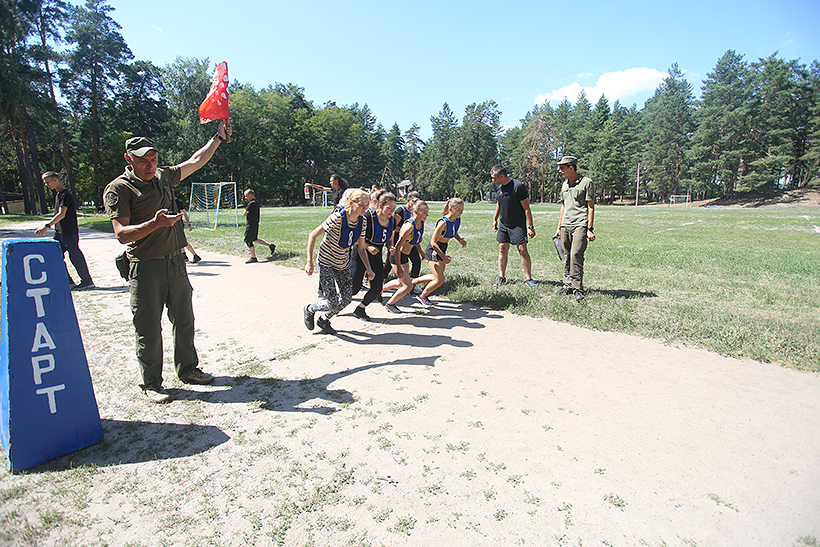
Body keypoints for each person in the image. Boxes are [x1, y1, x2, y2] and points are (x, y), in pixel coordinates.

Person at [103, 122, 232, 403]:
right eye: (143, 160)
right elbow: (121, 234)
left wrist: (217, 138)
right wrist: (154, 224)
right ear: (128, 159)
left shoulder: (162, 175)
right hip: (146, 266)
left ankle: (188, 369)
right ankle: (151, 383)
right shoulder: (119, 188)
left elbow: (195, 161)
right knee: (149, 327)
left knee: (184, 319)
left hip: (176, 262)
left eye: (153, 158)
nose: (150, 165)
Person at [303, 189, 374, 334]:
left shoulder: (362, 221)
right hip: (326, 262)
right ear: (351, 203)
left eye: (367, 205)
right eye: (361, 205)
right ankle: (310, 308)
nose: (365, 208)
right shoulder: (337, 218)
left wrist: (368, 267)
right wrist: (309, 262)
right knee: (332, 302)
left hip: (342, 263)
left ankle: (324, 319)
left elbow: (361, 248)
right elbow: (313, 235)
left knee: (347, 299)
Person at [35, 171, 94, 290]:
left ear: (55, 180)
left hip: (68, 232)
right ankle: (68, 282)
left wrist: (46, 226)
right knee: (54, 255)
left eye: (47, 182)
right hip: (59, 232)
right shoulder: (58, 195)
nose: (46, 185)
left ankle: (87, 281)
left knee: (75, 256)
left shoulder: (65, 195)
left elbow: (61, 214)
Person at [553, 155, 596, 302]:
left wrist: (589, 228)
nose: (560, 171)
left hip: (580, 223)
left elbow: (590, 207)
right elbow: (563, 207)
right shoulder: (565, 184)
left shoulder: (586, 182)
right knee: (566, 255)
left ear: (571, 168)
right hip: (565, 224)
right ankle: (567, 285)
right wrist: (559, 227)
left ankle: (577, 288)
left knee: (576, 254)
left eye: (562, 168)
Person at [351, 189, 398, 321]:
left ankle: (360, 309)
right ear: (380, 205)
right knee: (354, 289)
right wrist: (367, 246)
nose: (392, 211)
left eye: (394, 208)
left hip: (376, 256)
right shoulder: (368, 217)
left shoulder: (391, 220)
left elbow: (389, 239)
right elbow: (354, 237)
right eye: (389, 208)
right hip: (360, 254)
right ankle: (333, 302)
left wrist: (390, 246)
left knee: (377, 287)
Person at [411, 198, 467, 306]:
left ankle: (412, 281)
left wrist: (459, 239)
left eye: (462, 209)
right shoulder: (443, 222)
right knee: (439, 280)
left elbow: (453, 231)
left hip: (443, 247)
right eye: (458, 209)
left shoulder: (456, 219)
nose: (461, 212)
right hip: (434, 249)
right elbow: (433, 242)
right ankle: (422, 295)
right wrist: (443, 257)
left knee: (437, 277)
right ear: (450, 209)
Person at [490, 165, 536, 288]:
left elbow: (526, 208)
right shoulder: (499, 186)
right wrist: (495, 219)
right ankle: (501, 277)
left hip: (517, 224)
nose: (493, 180)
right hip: (503, 224)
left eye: (494, 177)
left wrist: (530, 227)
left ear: (501, 176)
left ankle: (528, 278)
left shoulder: (518, 186)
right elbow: (499, 203)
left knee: (522, 250)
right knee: (502, 249)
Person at [380, 200, 429, 313]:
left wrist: (420, 251)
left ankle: (377, 291)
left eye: (427, 212)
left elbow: (415, 240)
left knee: (400, 282)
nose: (426, 215)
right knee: (408, 286)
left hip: (404, 257)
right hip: (397, 256)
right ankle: (390, 304)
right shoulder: (409, 226)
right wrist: (398, 266)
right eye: (424, 212)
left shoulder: (420, 223)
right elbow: (397, 247)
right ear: (416, 211)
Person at [383, 191, 423, 294]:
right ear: (408, 200)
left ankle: (413, 284)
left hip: (410, 242)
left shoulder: (418, 216)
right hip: (398, 242)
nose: (416, 205)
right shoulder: (401, 211)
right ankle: (381, 282)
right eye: (414, 202)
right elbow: (393, 226)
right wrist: (404, 230)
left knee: (416, 261)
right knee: (390, 263)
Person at [242, 189, 276, 263]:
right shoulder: (256, 202)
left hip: (251, 224)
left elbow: (244, 213)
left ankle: (253, 257)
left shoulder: (252, 203)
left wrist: (245, 209)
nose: (245, 198)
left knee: (248, 240)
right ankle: (271, 245)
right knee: (254, 239)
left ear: (250, 195)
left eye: (246, 196)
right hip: (254, 223)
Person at [174, 196, 201, 263]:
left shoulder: (177, 202)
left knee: (182, 241)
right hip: (173, 224)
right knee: (179, 241)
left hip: (178, 225)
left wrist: (189, 224)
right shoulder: (169, 202)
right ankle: (184, 256)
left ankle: (195, 256)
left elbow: (184, 214)